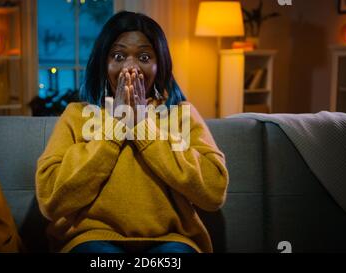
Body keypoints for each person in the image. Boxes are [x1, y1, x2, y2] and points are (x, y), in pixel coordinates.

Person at [35, 11, 229, 253]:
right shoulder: (77, 114)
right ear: (103, 64)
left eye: (144, 57)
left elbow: (214, 192)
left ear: (160, 66)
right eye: (118, 56)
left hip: (172, 240)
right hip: (90, 239)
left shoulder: (181, 115)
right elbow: (50, 199)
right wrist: (116, 126)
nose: (130, 68)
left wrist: (143, 127)